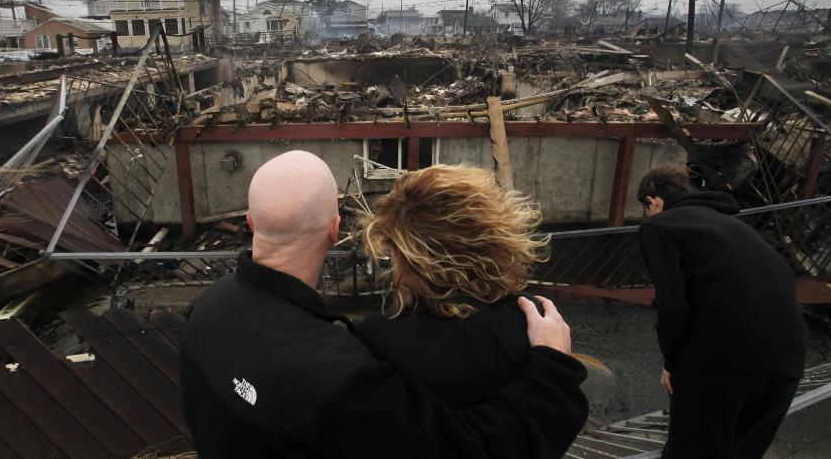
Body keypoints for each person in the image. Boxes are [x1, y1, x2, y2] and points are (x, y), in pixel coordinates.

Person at [181, 151, 589, 459]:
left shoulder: (207, 308)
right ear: (334, 228)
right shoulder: (337, 371)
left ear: (250, 223)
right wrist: (553, 367)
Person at [353, 165, 587, 448]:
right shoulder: (535, 322)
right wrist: (555, 360)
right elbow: (560, 421)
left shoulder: (376, 342)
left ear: (411, 257)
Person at [636, 164, 809, 459]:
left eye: (647, 209)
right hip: (788, 362)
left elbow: (672, 304)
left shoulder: (660, 226)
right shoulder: (737, 227)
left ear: (653, 201)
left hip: (722, 360)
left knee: (691, 451)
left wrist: (672, 362)